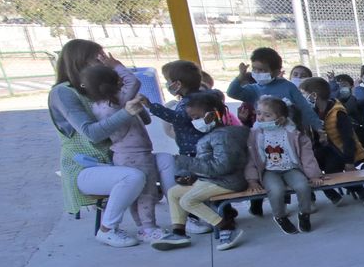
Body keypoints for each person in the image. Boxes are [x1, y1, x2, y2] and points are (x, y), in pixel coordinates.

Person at [46, 40, 150, 248]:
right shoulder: (63, 92)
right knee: (133, 176)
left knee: (164, 163)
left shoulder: (95, 87)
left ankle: (180, 221)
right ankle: (107, 229)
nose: (104, 62)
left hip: (114, 160)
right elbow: (91, 134)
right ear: (80, 62)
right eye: (98, 58)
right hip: (85, 167)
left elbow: (145, 120)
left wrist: (130, 100)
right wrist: (125, 111)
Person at [153, 93, 251, 251]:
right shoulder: (213, 135)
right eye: (192, 118)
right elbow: (209, 164)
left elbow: (221, 167)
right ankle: (179, 233)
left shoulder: (223, 136)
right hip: (215, 180)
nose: (194, 122)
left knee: (188, 201)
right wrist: (191, 175)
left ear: (212, 114)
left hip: (228, 182)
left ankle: (226, 228)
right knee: (173, 193)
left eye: (196, 117)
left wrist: (185, 162)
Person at [79, 62, 164, 242]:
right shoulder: (118, 100)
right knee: (148, 193)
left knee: (136, 194)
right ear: (117, 82)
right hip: (138, 153)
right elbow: (134, 82)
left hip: (121, 155)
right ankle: (149, 228)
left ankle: (142, 227)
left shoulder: (97, 106)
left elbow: (145, 119)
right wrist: (117, 65)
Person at [245, 96, 324, 234]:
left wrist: (314, 175)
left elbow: (307, 155)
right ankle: (280, 217)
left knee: (303, 186)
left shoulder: (293, 133)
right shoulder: (255, 134)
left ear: (280, 118)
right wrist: (252, 180)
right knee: (276, 190)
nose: (261, 118)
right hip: (269, 171)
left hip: (291, 168)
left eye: (267, 115)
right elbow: (251, 158)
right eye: (258, 113)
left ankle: (304, 214)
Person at [300, 76, 364, 206]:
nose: (301, 98)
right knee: (310, 168)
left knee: (333, 171)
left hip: (342, 151)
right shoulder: (311, 112)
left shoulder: (338, 112)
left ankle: (362, 191)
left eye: (303, 94)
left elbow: (348, 138)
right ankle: (331, 193)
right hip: (323, 150)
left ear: (314, 95)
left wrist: (349, 161)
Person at [226, 47, 322, 131]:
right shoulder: (253, 90)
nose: (256, 72)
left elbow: (304, 108)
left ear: (276, 72)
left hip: (289, 135)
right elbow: (231, 92)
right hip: (265, 136)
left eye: (262, 70)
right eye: (254, 69)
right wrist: (240, 76)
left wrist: (318, 128)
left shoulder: (288, 87)